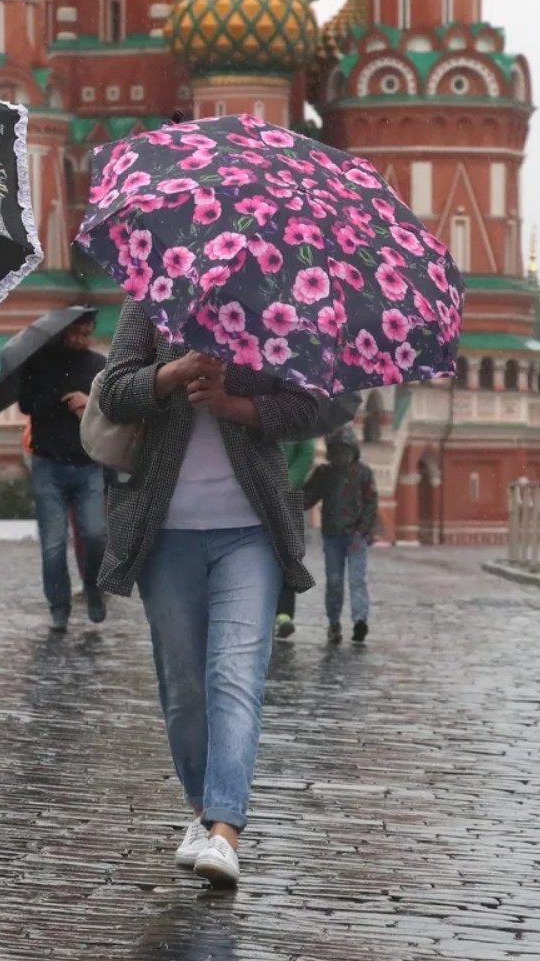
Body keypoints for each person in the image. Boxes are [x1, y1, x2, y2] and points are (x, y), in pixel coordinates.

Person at [97, 300, 318, 887]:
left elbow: (307, 407)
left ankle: (225, 829)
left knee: (236, 673)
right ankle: (201, 810)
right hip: (165, 530)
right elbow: (114, 392)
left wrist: (234, 405)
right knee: (185, 684)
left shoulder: (276, 304)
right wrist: (174, 372)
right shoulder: (148, 300)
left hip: (251, 528)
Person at [17, 313, 109, 632]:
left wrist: (89, 401)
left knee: (96, 534)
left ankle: (94, 587)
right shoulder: (38, 363)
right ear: (63, 333)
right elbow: (27, 405)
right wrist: (58, 398)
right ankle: (59, 605)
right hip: (48, 464)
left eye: (87, 333)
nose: (82, 339)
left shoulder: (98, 364)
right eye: (76, 333)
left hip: (89, 465)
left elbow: (112, 409)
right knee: (53, 543)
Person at [303, 427, 378, 644]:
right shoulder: (324, 474)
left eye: (344, 451)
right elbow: (308, 497)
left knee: (357, 580)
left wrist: (361, 531)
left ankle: (359, 620)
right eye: (336, 451)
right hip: (332, 536)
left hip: (355, 537)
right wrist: (287, 497)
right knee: (334, 582)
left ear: (353, 451)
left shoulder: (363, 473)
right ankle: (334, 623)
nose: (340, 456)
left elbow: (371, 503)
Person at [274, 438, 316, 638]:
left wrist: (286, 483)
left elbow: (306, 452)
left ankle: (283, 614)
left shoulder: (295, 412)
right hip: (252, 492)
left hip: (286, 498)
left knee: (287, 557)